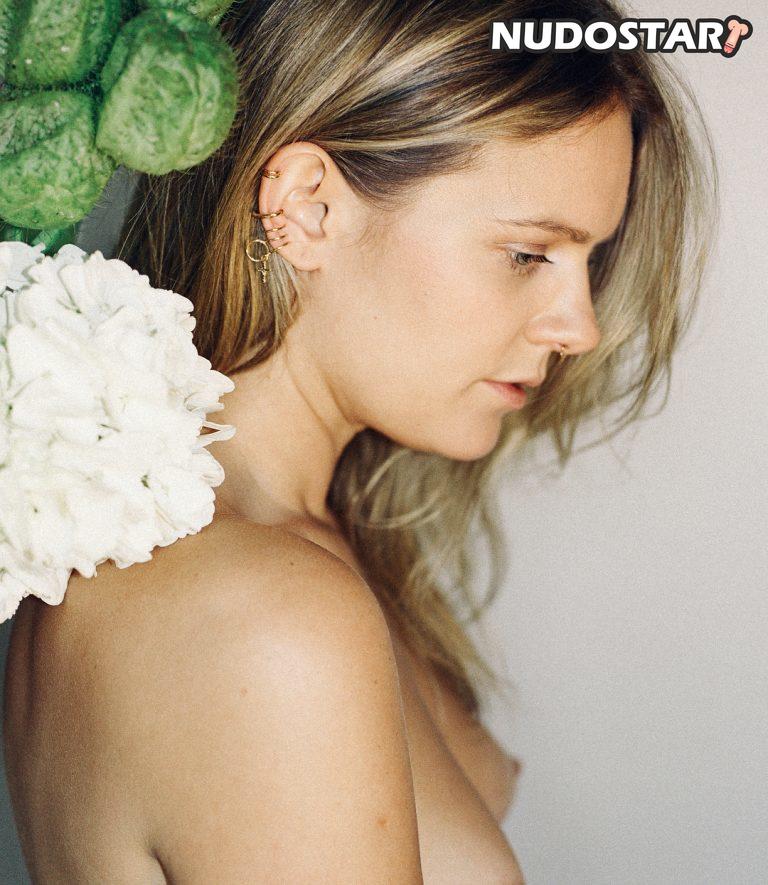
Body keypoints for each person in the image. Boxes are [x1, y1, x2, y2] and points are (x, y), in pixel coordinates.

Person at [3, 0, 716, 881]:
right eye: (529, 254)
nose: (581, 328)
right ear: (308, 208)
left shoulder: (283, 538)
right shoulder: (260, 613)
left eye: (588, 259)